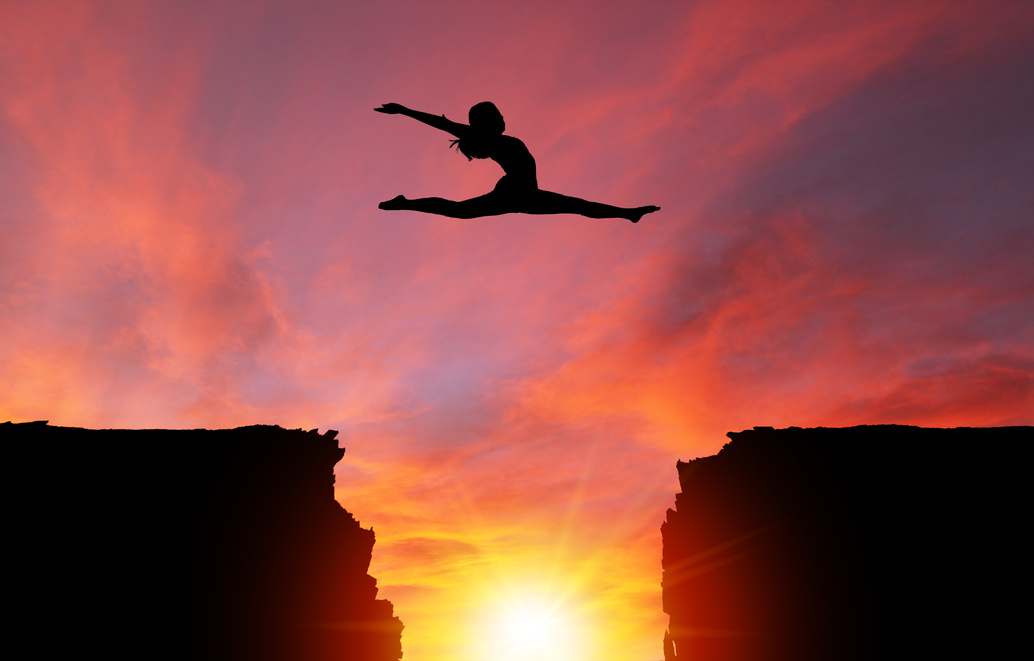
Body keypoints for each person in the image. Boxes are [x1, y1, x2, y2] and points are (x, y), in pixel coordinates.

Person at [375, 102, 660, 223]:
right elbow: (440, 123)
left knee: (579, 207)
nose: (502, 118)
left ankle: (627, 214)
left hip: (524, 195)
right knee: (578, 206)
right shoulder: (486, 137)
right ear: (486, 123)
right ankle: (406, 202)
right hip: (517, 192)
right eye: (496, 116)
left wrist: (403, 111)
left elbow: (443, 124)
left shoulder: (496, 139)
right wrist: (404, 111)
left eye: (500, 114)